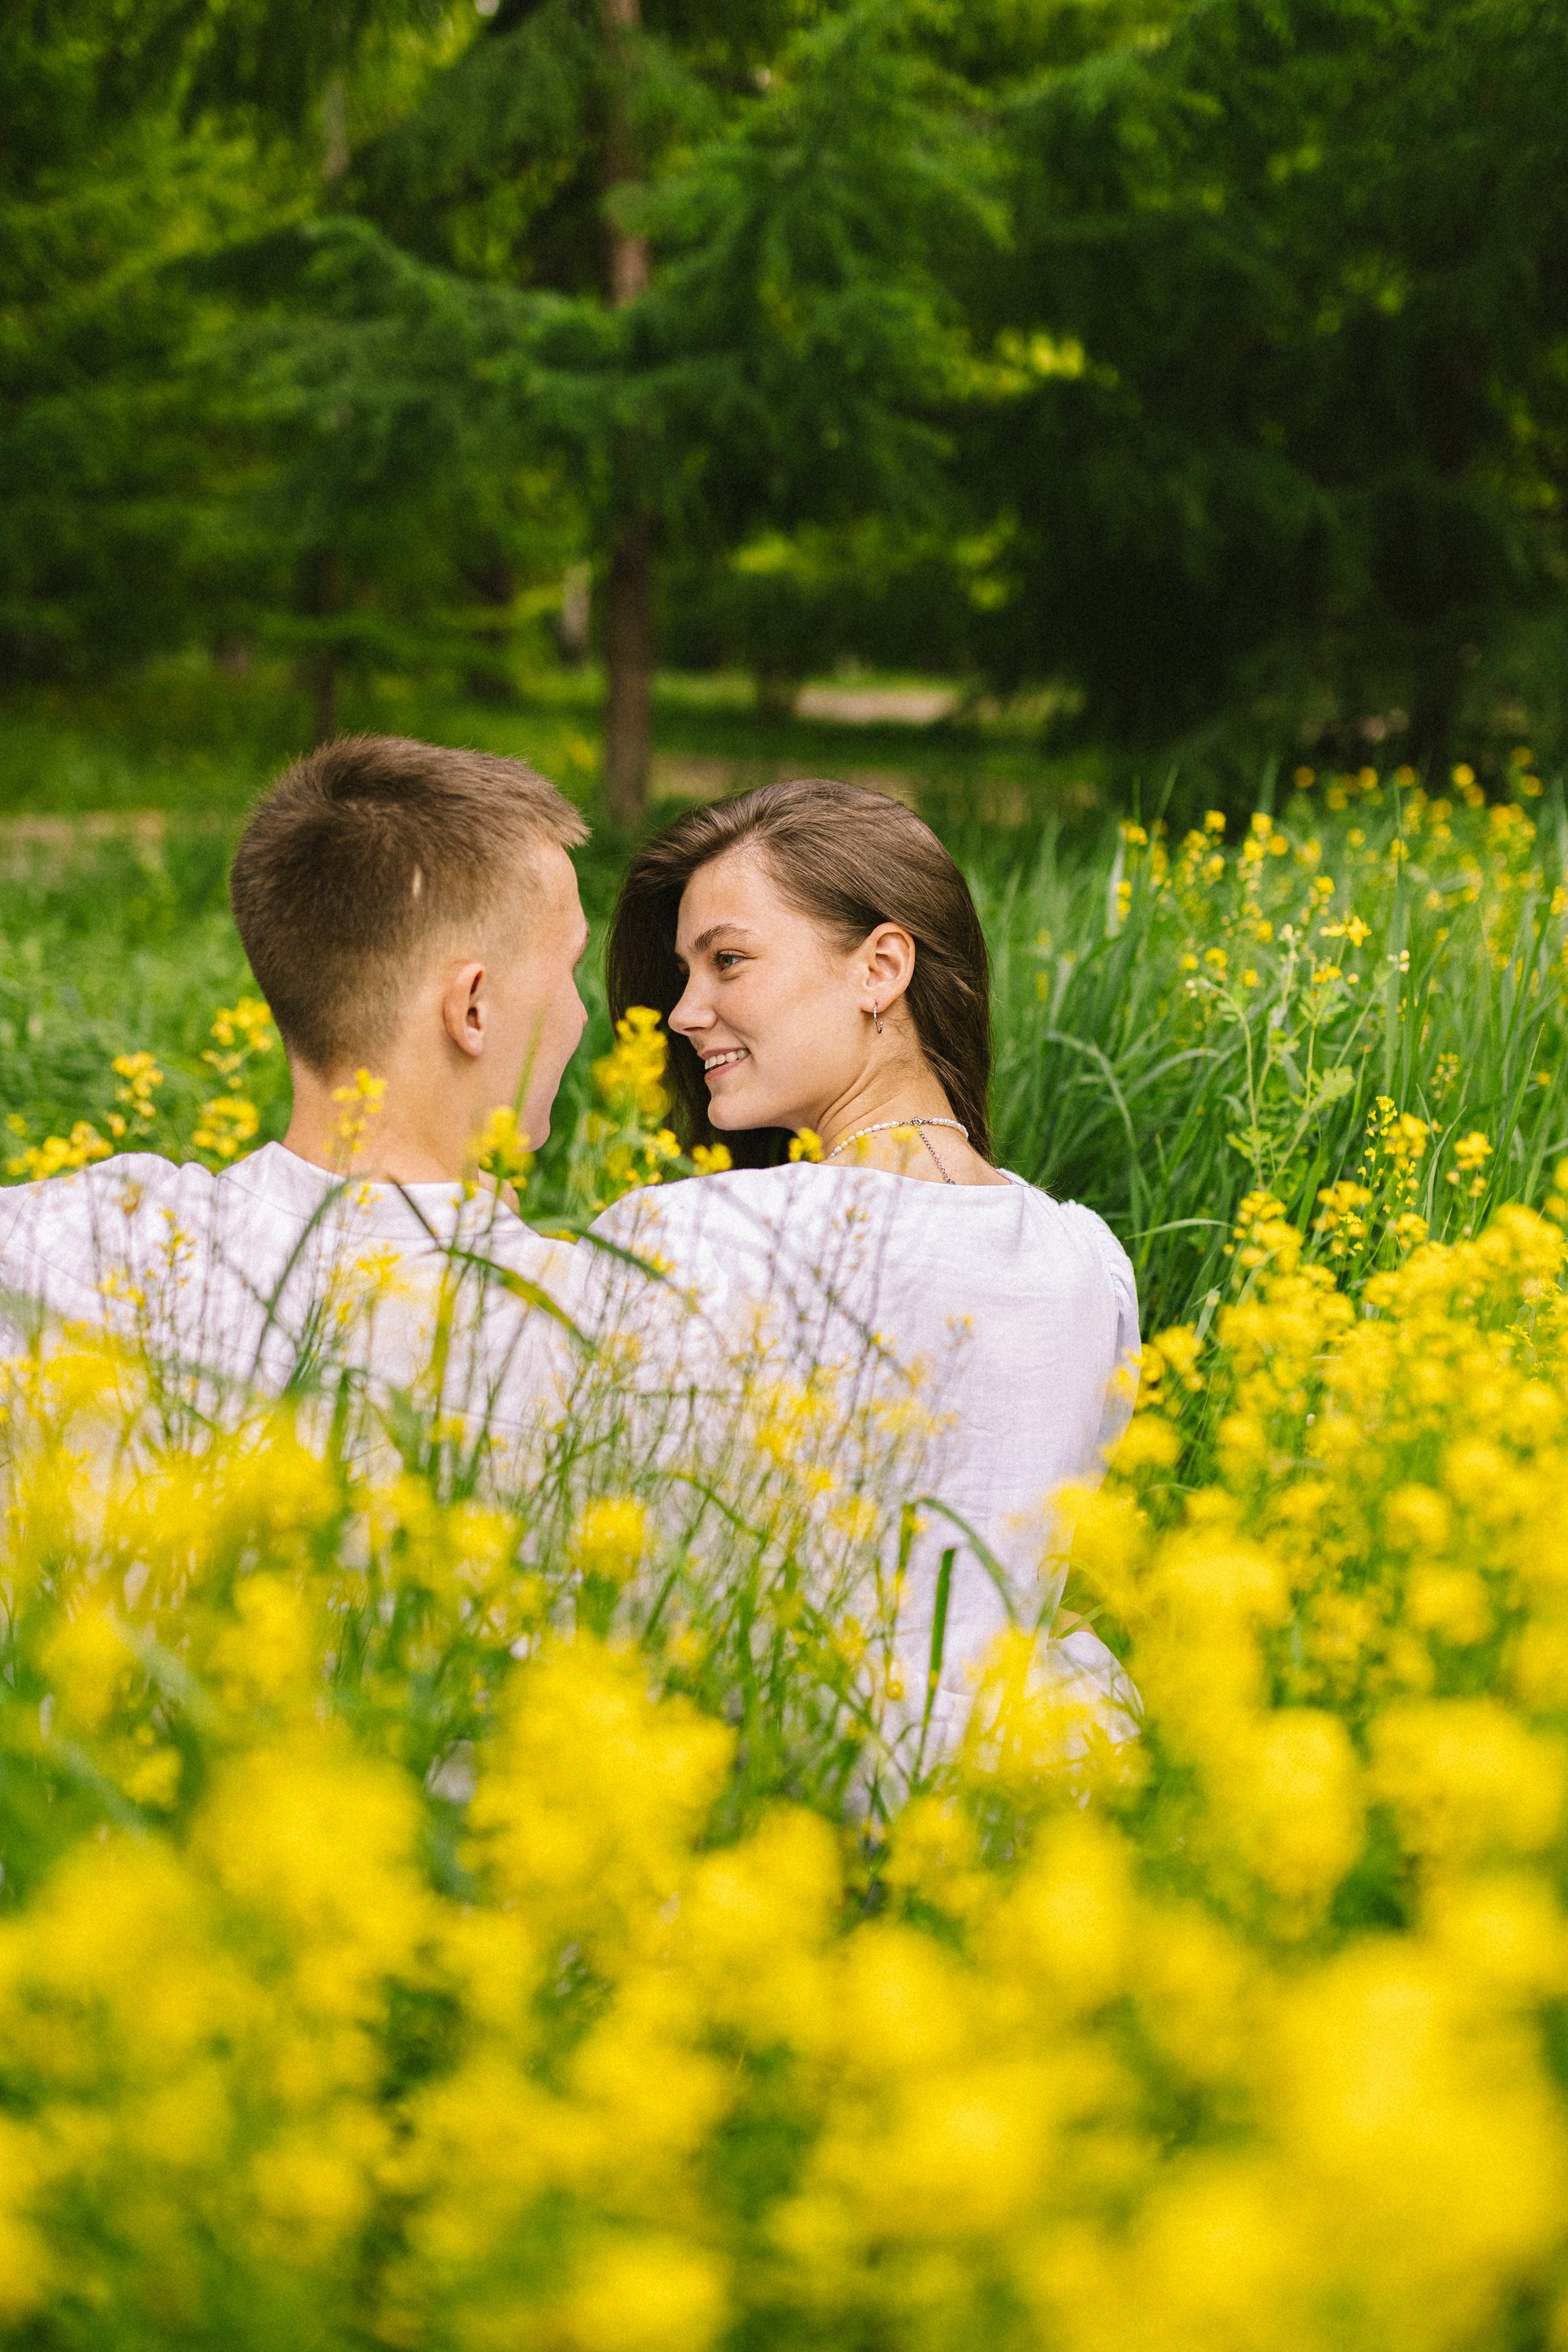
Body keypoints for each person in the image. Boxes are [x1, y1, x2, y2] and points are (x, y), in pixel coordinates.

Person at [587, 775, 1141, 1753]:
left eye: (726, 962)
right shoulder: (1088, 1264)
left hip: (764, 1787)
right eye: (684, 975)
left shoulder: (691, 1237)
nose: (681, 1012)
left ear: (880, 967)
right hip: (1026, 1795)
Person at [0, 735, 591, 1438]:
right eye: (569, 969)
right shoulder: (569, 1322)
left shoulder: (84, 1239)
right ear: (472, 1008)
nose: (580, 1011)